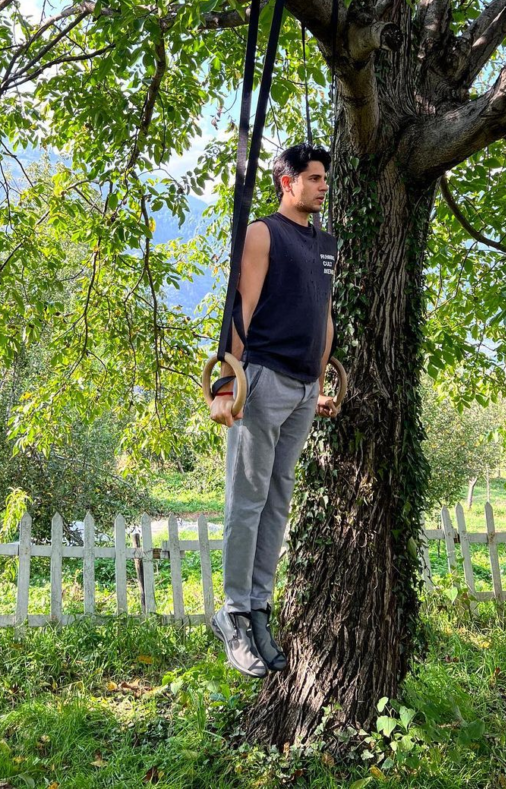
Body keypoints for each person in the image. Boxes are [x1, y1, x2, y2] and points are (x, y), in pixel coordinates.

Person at [209, 143, 340, 678]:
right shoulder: (262, 233)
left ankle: (258, 609)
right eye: (314, 178)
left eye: (325, 178)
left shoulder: (326, 244)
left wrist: (321, 383)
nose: (323, 186)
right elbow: (238, 311)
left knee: (278, 502)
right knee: (247, 501)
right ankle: (233, 613)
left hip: (305, 389)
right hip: (261, 381)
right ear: (288, 183)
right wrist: (224, 385)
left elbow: (323, 315)